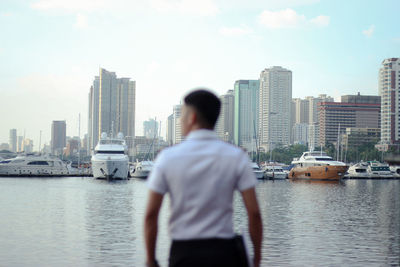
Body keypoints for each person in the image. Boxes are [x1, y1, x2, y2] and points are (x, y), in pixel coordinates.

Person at [144, 89, 262, 267]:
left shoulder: (167, 157)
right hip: (224, 253)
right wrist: (257, 257)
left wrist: (151, 260)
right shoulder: (236, 156)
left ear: (192, 118)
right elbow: (254, 213)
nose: (180, 120)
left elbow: (151, 215)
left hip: (183, 253)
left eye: (182, 115)